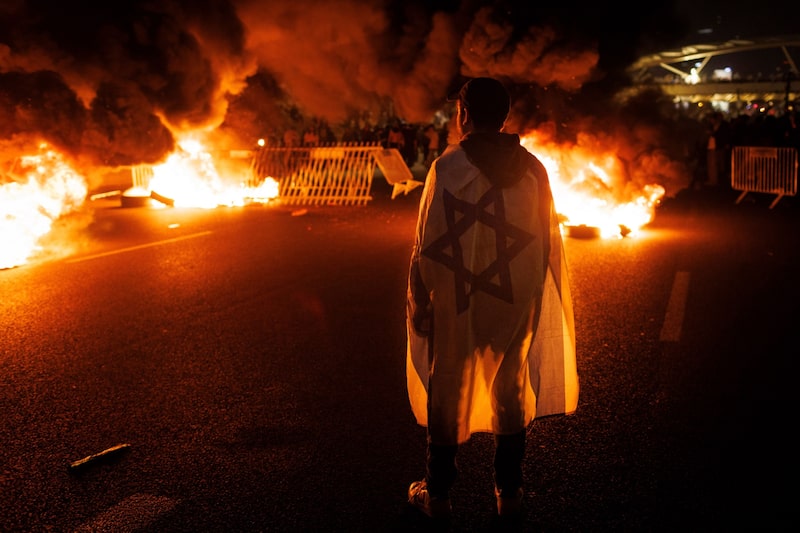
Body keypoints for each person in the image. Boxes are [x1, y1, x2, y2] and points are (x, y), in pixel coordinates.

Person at [405, 77, 579, 520]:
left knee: (447, 384)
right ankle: (510, 493)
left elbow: (428, 242)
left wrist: (420, 298)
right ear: (503, 117)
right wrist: (532, 295)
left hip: (457, 297)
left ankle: (439, 496)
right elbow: (545, 240)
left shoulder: (447, 167)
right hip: (514, 295)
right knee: (510, 386)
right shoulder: (535, 169)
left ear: (464, 114)